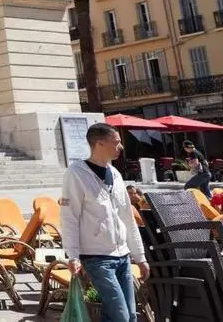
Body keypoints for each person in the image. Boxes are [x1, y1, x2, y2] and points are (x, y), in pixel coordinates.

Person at [61, 122, 148, 322]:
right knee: (121, 316)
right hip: (97, 257)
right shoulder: (76, 174)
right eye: (116, 142)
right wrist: (73, 255)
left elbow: (127, 217)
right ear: (99, 143)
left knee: (130, 315)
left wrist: (140, 256)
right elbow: (69, 216)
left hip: (122, 255)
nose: (121, 147)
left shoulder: (115, 174)